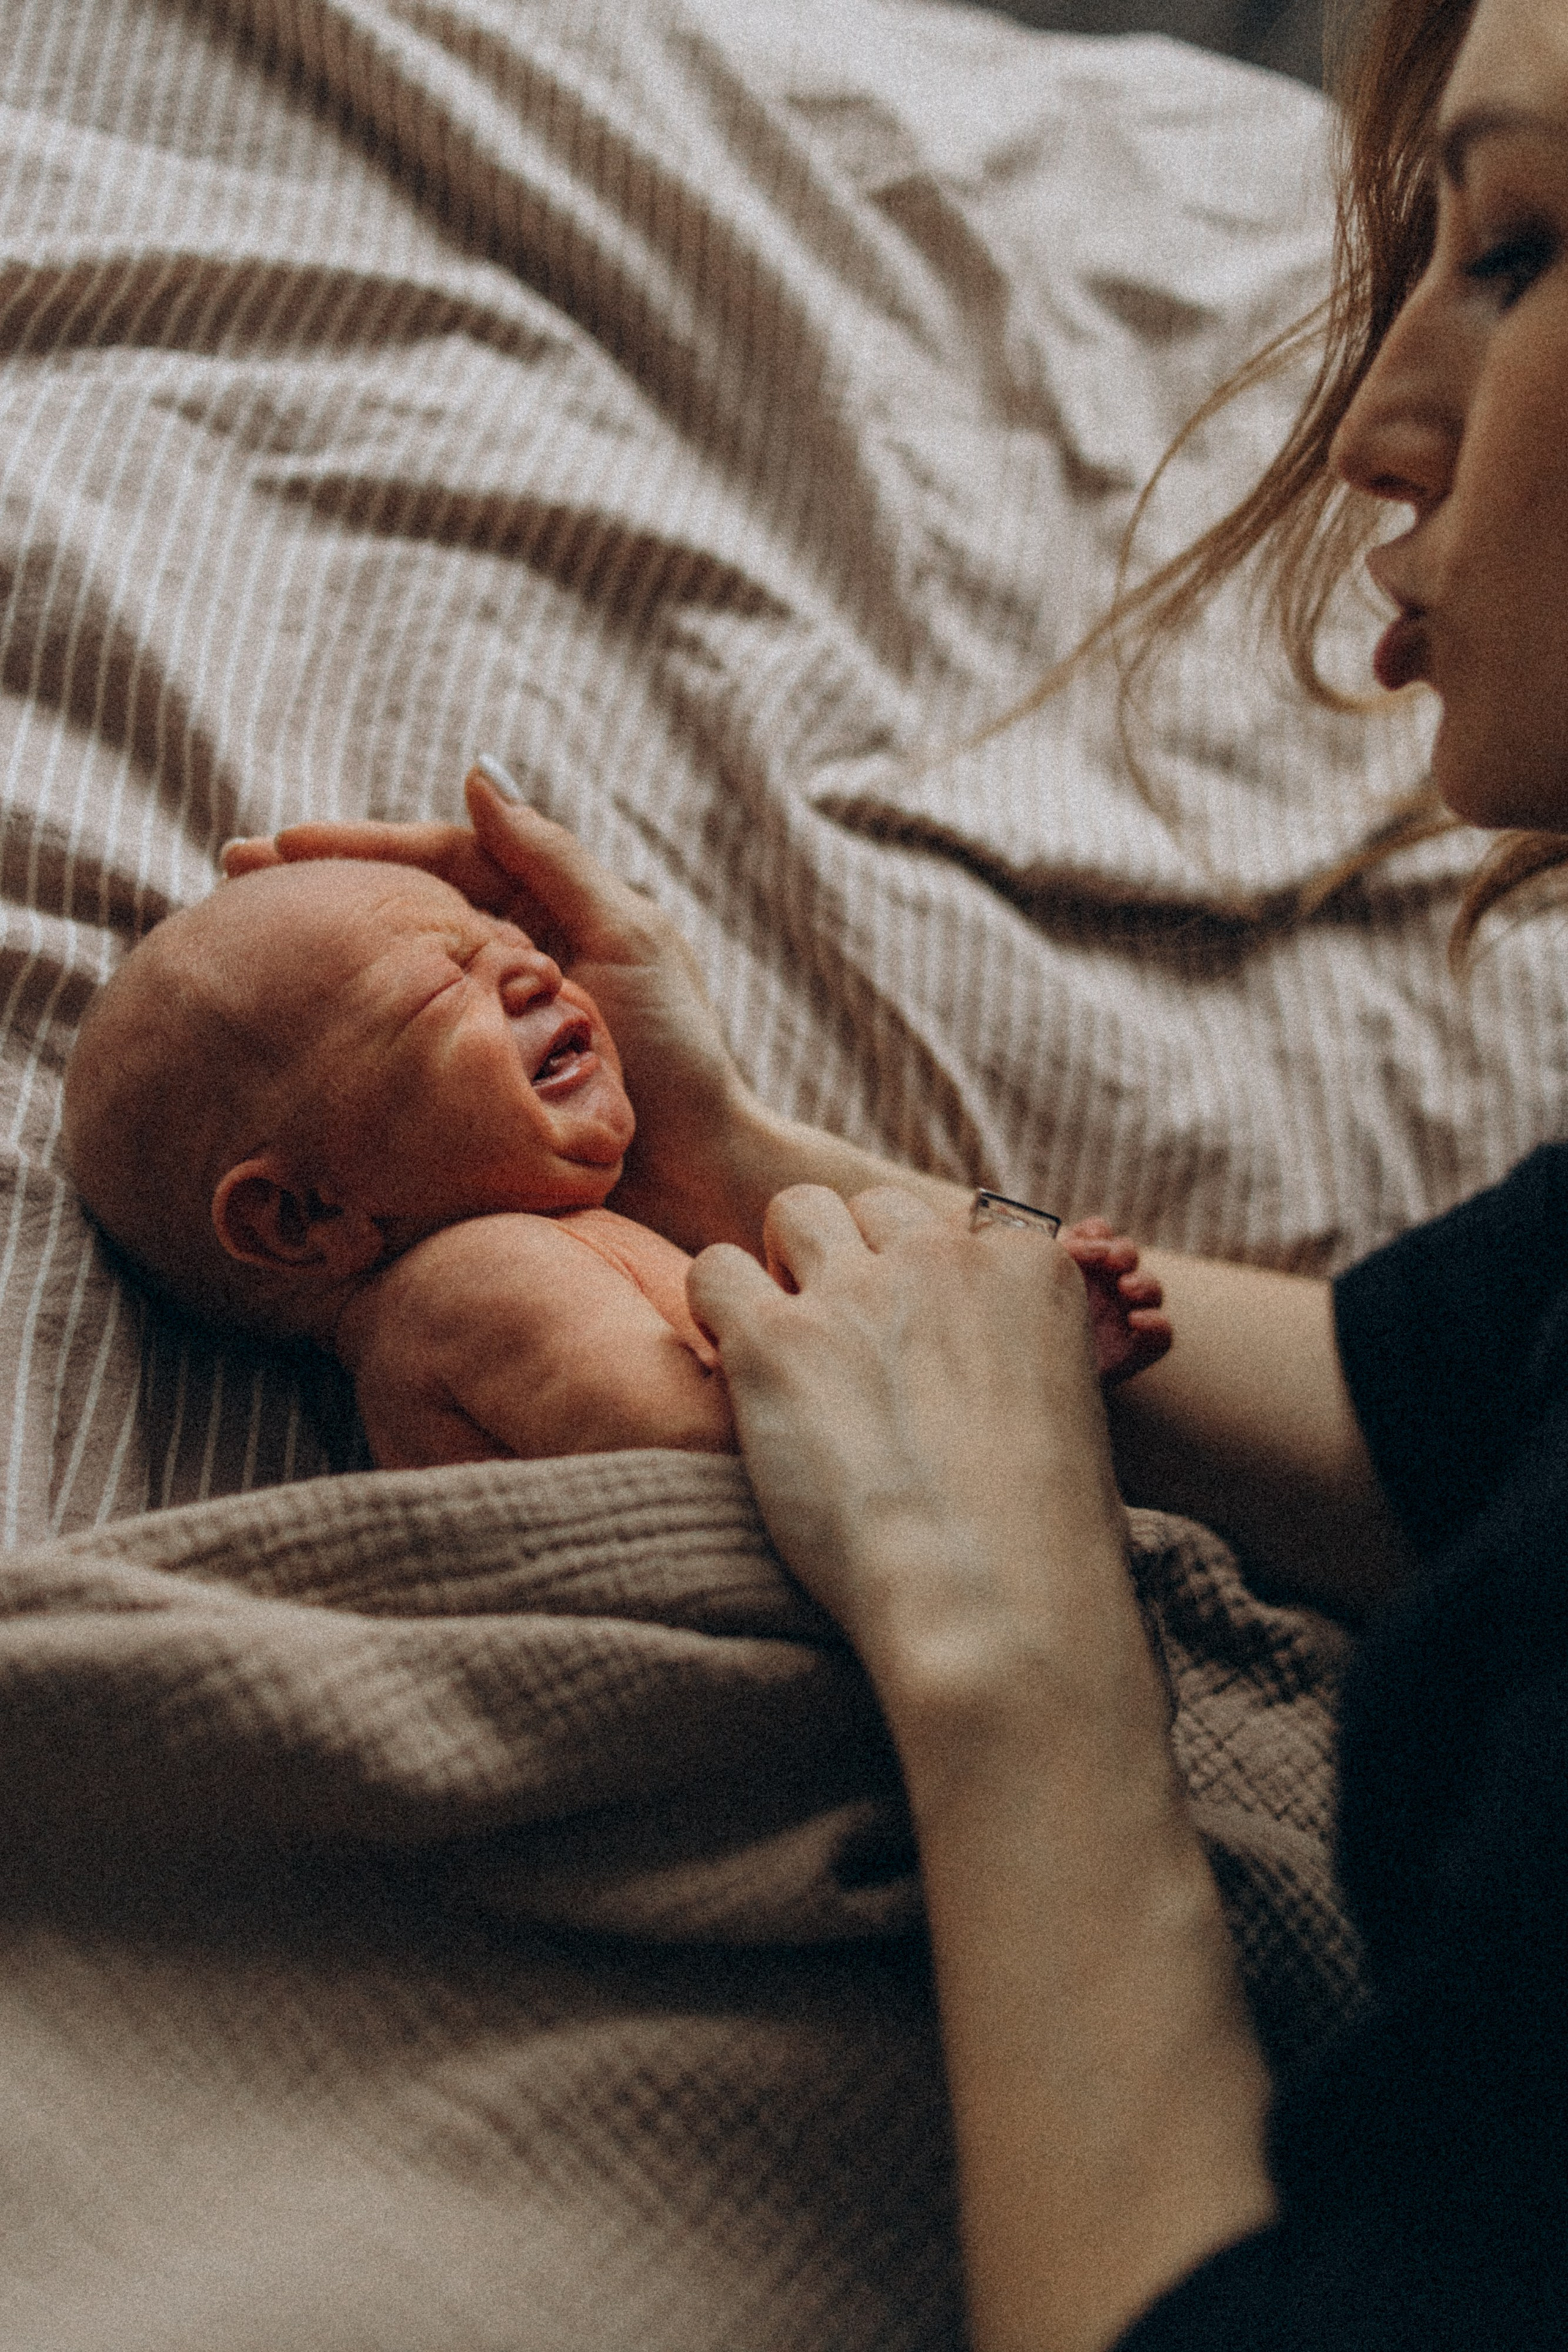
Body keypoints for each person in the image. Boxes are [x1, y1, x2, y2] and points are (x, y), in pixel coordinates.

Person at [219, 0, 1568, 2339]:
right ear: (296, 1221)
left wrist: (1009, 1623)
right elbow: (1413, 1412)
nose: (1374, 422)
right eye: (1435, 241)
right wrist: (737, 1155)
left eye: (1527, 249)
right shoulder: (471, 1294)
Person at [63, 854, 1168, 1471]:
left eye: (517, 942)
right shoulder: (472, 1283)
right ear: (305, 1218)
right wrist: (997, 1358)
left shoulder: (557, 1247)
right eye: (447, 984)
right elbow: (709, 1445)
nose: (534, 970)